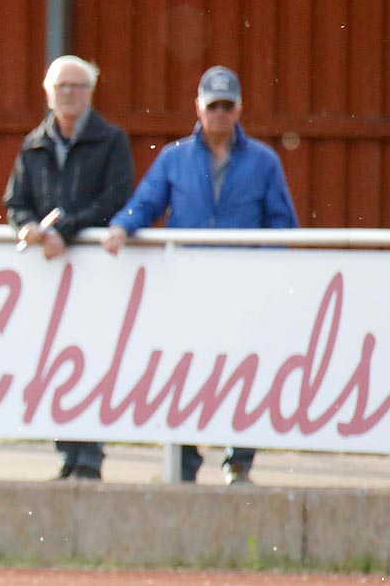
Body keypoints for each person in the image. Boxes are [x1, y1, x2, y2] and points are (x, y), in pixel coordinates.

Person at [103, 65, 300, 485]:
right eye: (213, 106)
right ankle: (186, 461)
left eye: (227, 106)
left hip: (243, 288)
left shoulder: (264, 162)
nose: (219, 114)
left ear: (239, 108)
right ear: (199, 107)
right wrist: (122, 225)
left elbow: (282, 224)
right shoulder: (175, 157)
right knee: (187, 371)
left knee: (245, 369)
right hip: (187, 287)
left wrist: (259, 264)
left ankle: (239, 459)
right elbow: (147, 202)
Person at [3, 54, 135, 481]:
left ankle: (90, 455)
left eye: (77, 86)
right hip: (50, 273)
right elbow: (16, 201)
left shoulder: (111, 140)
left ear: (90, 93)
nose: (68, 95)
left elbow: (116, 198)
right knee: (55, 359)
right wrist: (27, 227)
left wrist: (68, 229)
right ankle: (67, 451)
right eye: (61, 87)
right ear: (48, 93)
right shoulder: (34, 144)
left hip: (94, 270)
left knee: (92, 356)